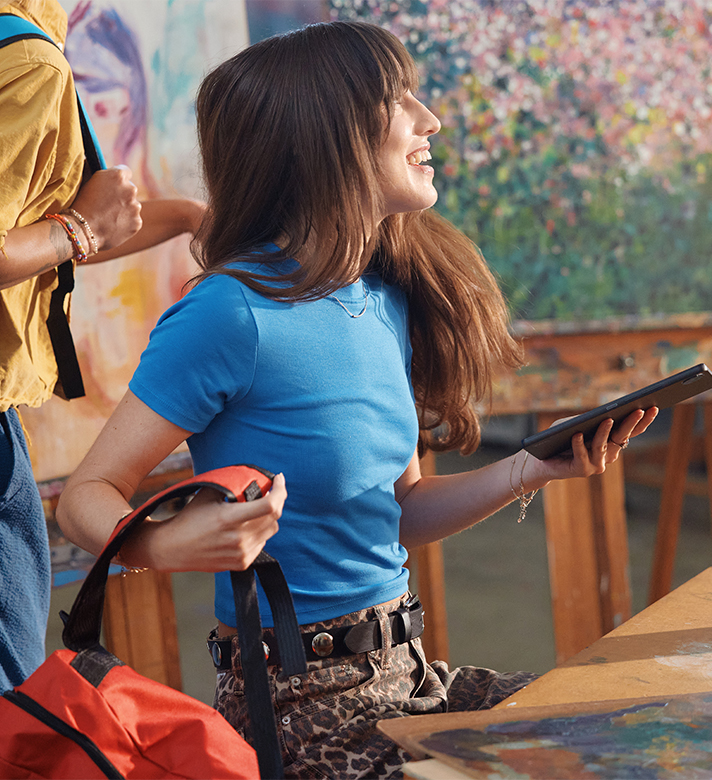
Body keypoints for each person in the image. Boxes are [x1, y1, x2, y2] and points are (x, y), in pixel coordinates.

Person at [56, 20, 657, 779]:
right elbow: (84, 496)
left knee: (623, 730)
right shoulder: (230, 313)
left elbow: (401, 511)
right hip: (300, 707)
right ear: (323, 137)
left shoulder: (383, 299)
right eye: (396, 99)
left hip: (407, 676)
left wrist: (533, 468)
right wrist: (162, 544)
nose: (428, 119)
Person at [0, 0, 203, 692]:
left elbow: (31, 236)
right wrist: (79, 229)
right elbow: (52, 236)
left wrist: (184, 218)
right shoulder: (25, 60)